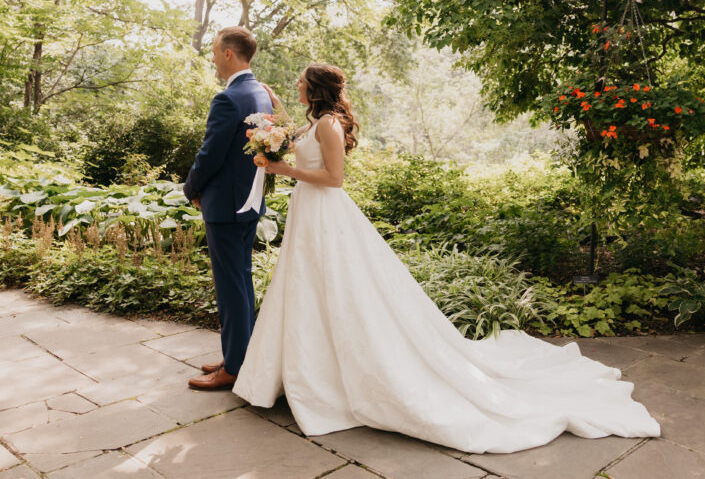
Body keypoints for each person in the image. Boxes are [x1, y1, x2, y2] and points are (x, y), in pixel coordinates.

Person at [230, 63, 661, 454]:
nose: (297, 86)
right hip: (308, 215)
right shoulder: (312, 123)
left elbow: (335, 179)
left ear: (316, 89)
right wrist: (276, 115)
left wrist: (283, 171)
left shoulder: (328, 125)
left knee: (336, 292)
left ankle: (329, 382)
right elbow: (295, 140)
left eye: (301, 83)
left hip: (325, 214)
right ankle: (303, 371)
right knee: (306, 293)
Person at [183, 27, 272, 391]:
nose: (214, 58)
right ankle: (237, 354)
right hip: (248, 202)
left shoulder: (229, 98)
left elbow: (211, 153)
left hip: (225, 206)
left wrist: (190, 189)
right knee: (240, 283)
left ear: (230, 54)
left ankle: (234, 367)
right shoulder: (260, 94)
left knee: (231, 286)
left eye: (216, 52)